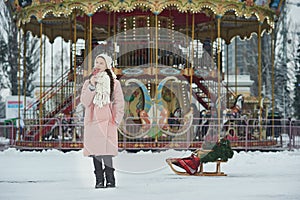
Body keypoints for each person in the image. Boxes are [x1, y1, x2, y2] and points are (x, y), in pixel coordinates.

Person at [80, 54, 125, 188]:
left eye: (101, 63)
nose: (98, 65)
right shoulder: (89, 82)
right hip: (93, 120)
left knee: (107, 152)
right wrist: (92, 86)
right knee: (96, 152)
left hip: (108, 120)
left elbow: (119, 102)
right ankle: (99, 180)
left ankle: (110, 179)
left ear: (107, 65)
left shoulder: (114, 83)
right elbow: (85, 102)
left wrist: (116, 120)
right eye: (96, 62)